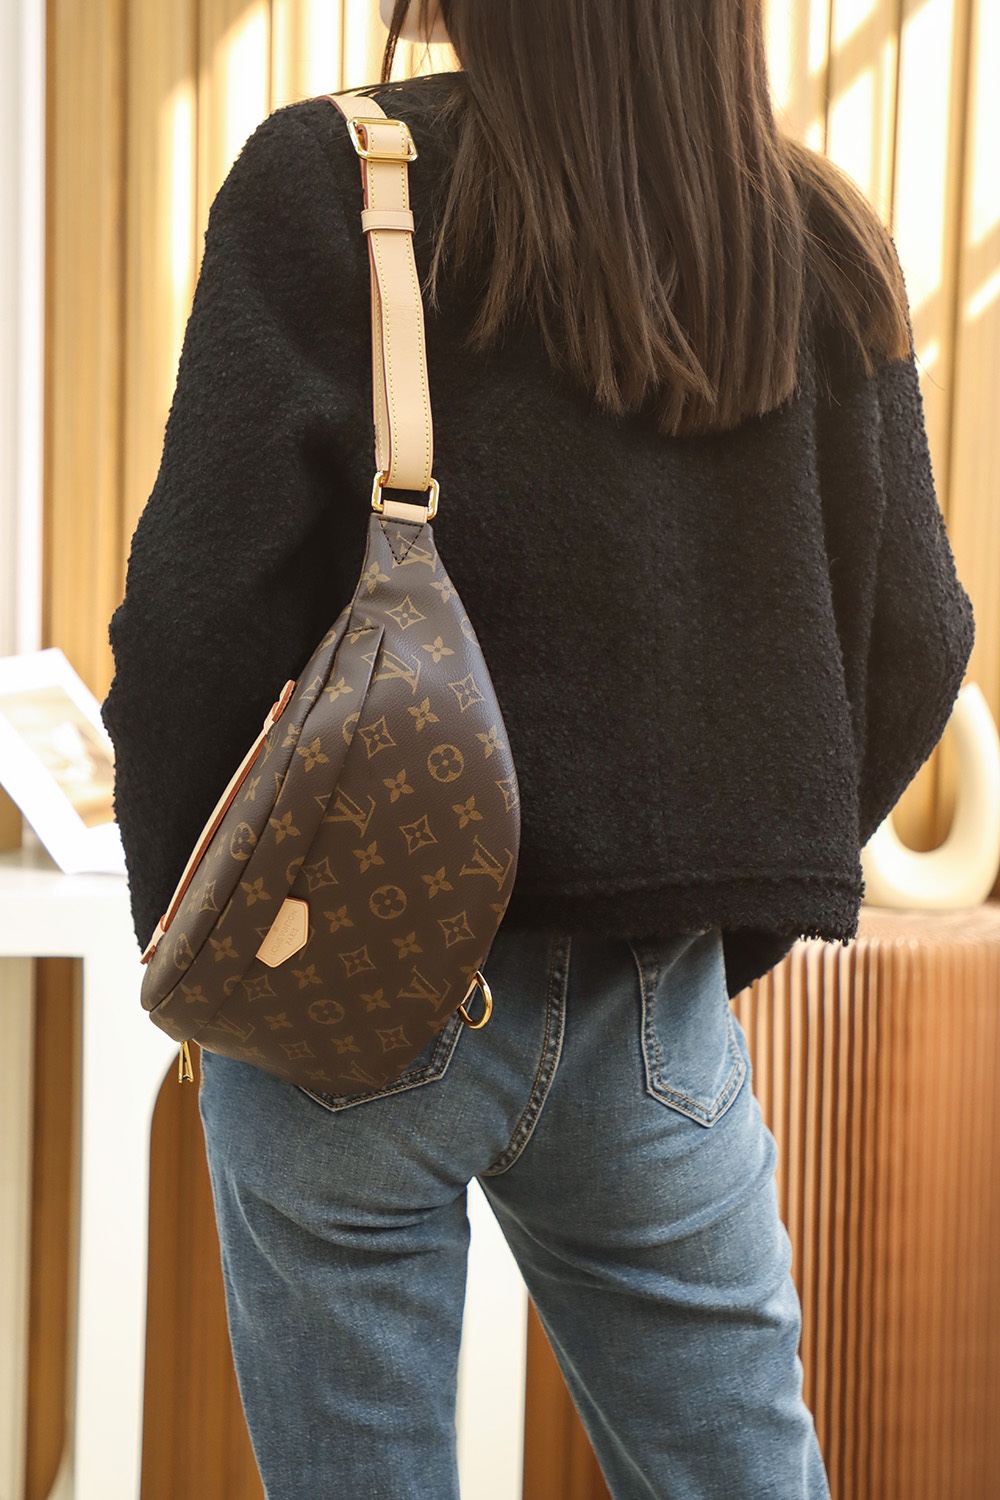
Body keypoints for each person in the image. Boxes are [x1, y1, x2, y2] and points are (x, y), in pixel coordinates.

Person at [100, 1, 976, 1495]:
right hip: (657, 1017)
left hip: (343, 987)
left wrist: (219, 949)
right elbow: (918, 639)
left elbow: (191, 629)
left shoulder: (335, 185)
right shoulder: (816, 241)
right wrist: (712, 907)